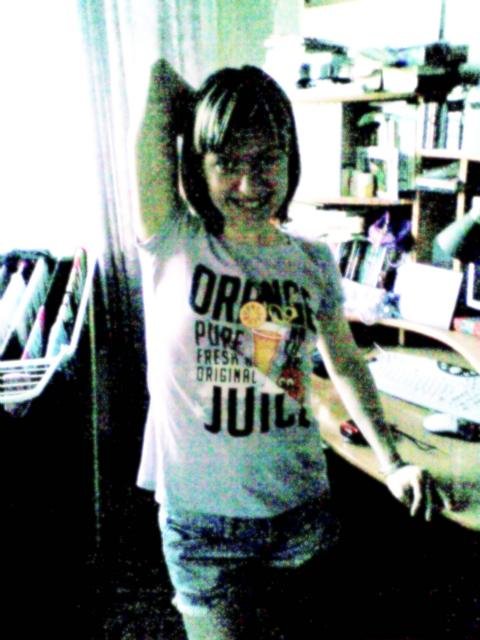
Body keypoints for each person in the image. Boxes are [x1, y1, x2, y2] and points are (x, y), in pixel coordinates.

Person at [134, 59, 450, 640]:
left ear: (290, 160)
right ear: (198, 165)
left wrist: (392, 461)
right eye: (228, 163)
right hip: (202, 527)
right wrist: (215, 113)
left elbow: (345, 364)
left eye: (266, 160)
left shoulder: (311, 260)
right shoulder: (173, 238)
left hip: (300, 511)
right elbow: (160, 82)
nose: (250, 184)